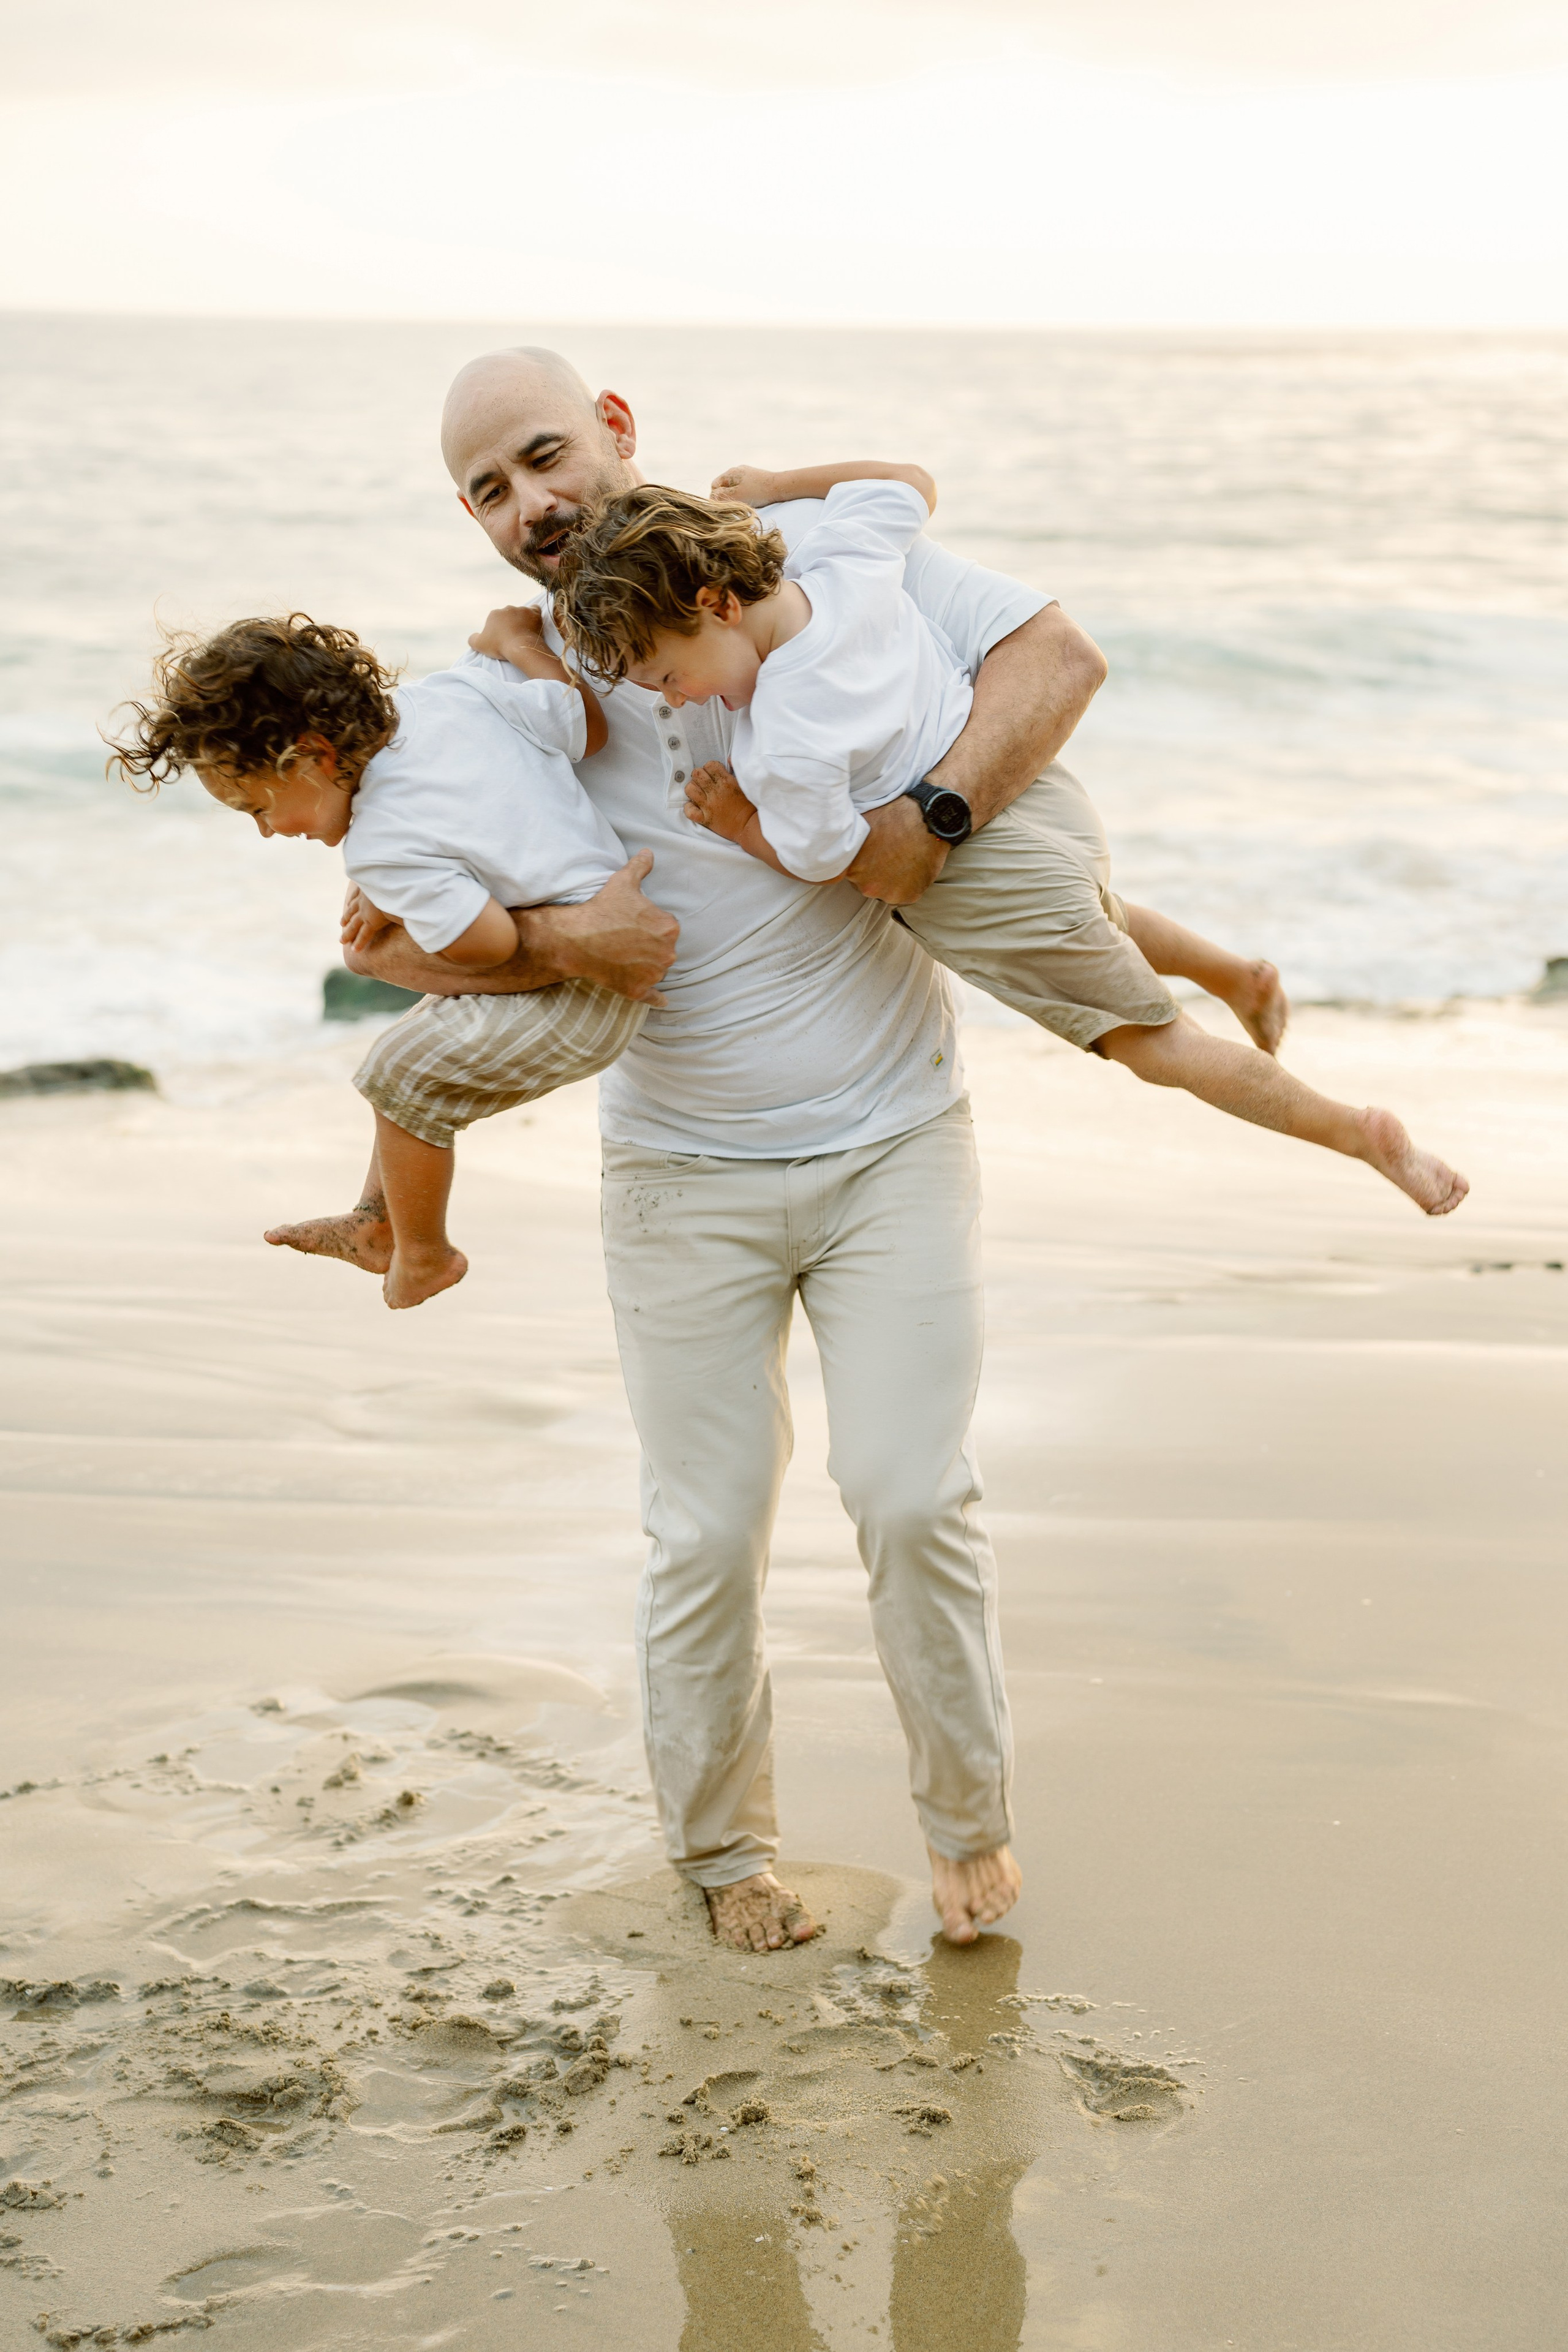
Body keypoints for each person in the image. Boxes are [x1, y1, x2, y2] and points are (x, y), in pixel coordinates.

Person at [271, 344, 1125, 1954]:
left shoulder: (783, 571)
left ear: (614, 431)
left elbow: (1057, 659)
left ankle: (969, 1829)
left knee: (910, 1491)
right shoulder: (507, 694)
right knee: (706, 1528)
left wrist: (920, 828)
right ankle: (727, 1856)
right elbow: (428, 929)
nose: (530, 505)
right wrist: (514, 940)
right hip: (679, 1174)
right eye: (488, 491)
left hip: (893, 1141)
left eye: (543, 459)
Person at [537, 462, 1467, 1219]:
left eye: (667, 672)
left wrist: (738, 821)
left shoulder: (784, 745)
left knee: (1155, 1046)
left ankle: (1362, 1133)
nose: (672, 698)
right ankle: (1238, 973)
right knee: (1093, 913)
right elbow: (906, 484)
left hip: (974, 878)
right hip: (1034, 801)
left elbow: (837, 864)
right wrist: (782, 480)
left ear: (717, 604)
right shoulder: (847, 566)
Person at [107, 609, 658, 1308]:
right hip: (607, 932)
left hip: (587, 994)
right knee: (411, 1056)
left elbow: (491, 945)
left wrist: (400, 901)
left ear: (312, 758)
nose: (269, 832)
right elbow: (586, 726)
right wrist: (522, 645)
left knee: (398, 1076)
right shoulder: (445, 697)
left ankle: (422, 1253)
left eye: (256, 808)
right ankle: (375, 1220)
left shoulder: (381, 847)